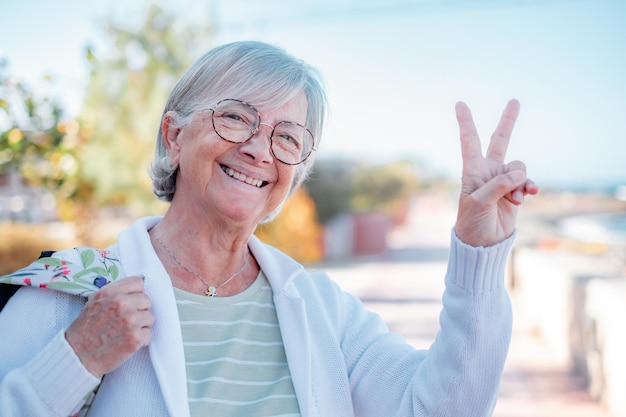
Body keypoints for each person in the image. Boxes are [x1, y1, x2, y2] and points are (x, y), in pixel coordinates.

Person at [0, 40, 538, 417]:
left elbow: (439, 409)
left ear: (296, 172)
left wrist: (479, 250)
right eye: (235, 117)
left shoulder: (320, 308)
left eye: (288, 137)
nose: (260, 149)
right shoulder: (67, 295)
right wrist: (75, 358)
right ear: (174, 135)